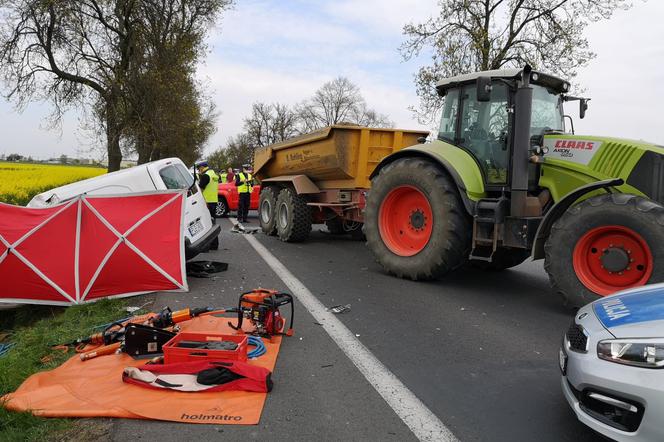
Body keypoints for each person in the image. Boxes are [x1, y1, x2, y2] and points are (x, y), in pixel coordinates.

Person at [196, 160, 220, 249]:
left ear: (202, 167)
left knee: (207, 224)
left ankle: (209, 245)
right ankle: (214, 245)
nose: (199, 171)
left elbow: (200, 190)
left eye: (199, 169)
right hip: (214, 200)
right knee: (212, 223)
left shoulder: (206, 176)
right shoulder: (213, 174)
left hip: (206, 202)